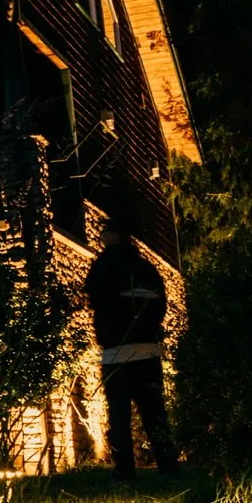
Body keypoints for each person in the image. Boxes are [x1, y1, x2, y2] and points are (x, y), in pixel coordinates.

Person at [83, 205, 176, 479]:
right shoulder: (147, 269)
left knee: (120, 418)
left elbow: (95, 298)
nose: (101, 236)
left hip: (117, 355)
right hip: (148, 352)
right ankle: (168, 468)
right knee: (155, 415)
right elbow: (161, 305)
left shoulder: (103, 266)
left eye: (105, 232)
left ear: (115, 236)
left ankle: (125, 472)